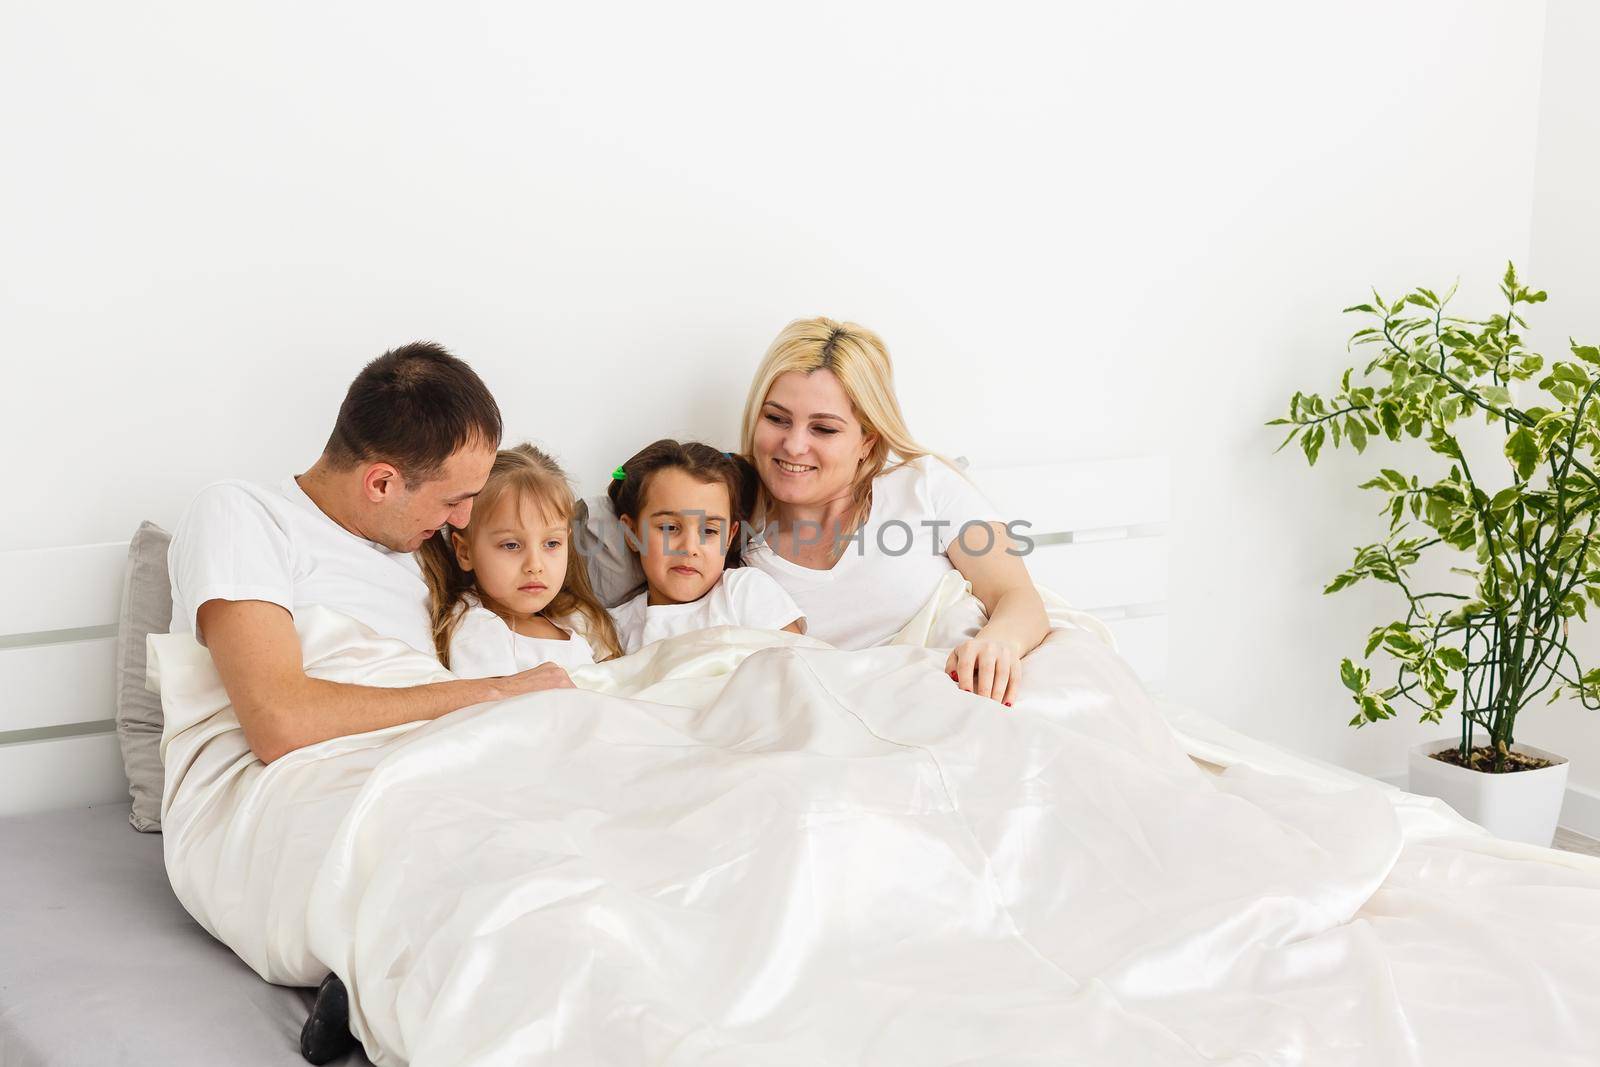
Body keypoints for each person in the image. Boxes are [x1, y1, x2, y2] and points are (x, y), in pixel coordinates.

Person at [166, 341, 576, 765]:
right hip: (313, 778)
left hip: (442, 758)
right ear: (381, 483)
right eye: (453, 500)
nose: (462, 518)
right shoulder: (242, 515)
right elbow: (280, 723)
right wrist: (495, 692)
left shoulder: (421, 546)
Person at [735, 317, 1050, 706]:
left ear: (867, 439)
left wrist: (997, 643)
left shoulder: (924, 486)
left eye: (825, 429)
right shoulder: (729, 530)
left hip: (959, 703)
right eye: (777, 419)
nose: (794, 445)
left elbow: (1017, 596)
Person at [419, 442, 623, 675]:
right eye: (511, 545)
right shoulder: (477, 626)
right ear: (465, 552)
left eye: (552, 544)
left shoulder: (576, 617)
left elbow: (619, 683)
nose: (535, 566)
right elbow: (499, 702)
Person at [605, 439, 805, 655]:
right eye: (669, 527)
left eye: (709, 531)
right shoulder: (612, 630)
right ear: (633, 533)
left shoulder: (743, 592)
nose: (690, 548)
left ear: (729, 537)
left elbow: (802, 668)